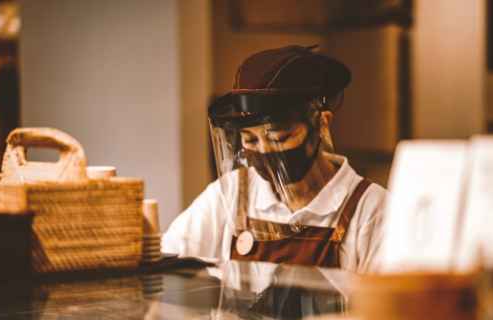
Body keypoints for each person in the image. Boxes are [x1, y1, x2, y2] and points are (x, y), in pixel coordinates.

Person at [162, 45, 387, 273]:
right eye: (250, 140)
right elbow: (168, 261)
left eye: (279, 138)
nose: (264, 151)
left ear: (321, 124)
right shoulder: (231, 194)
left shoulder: (372, 209)